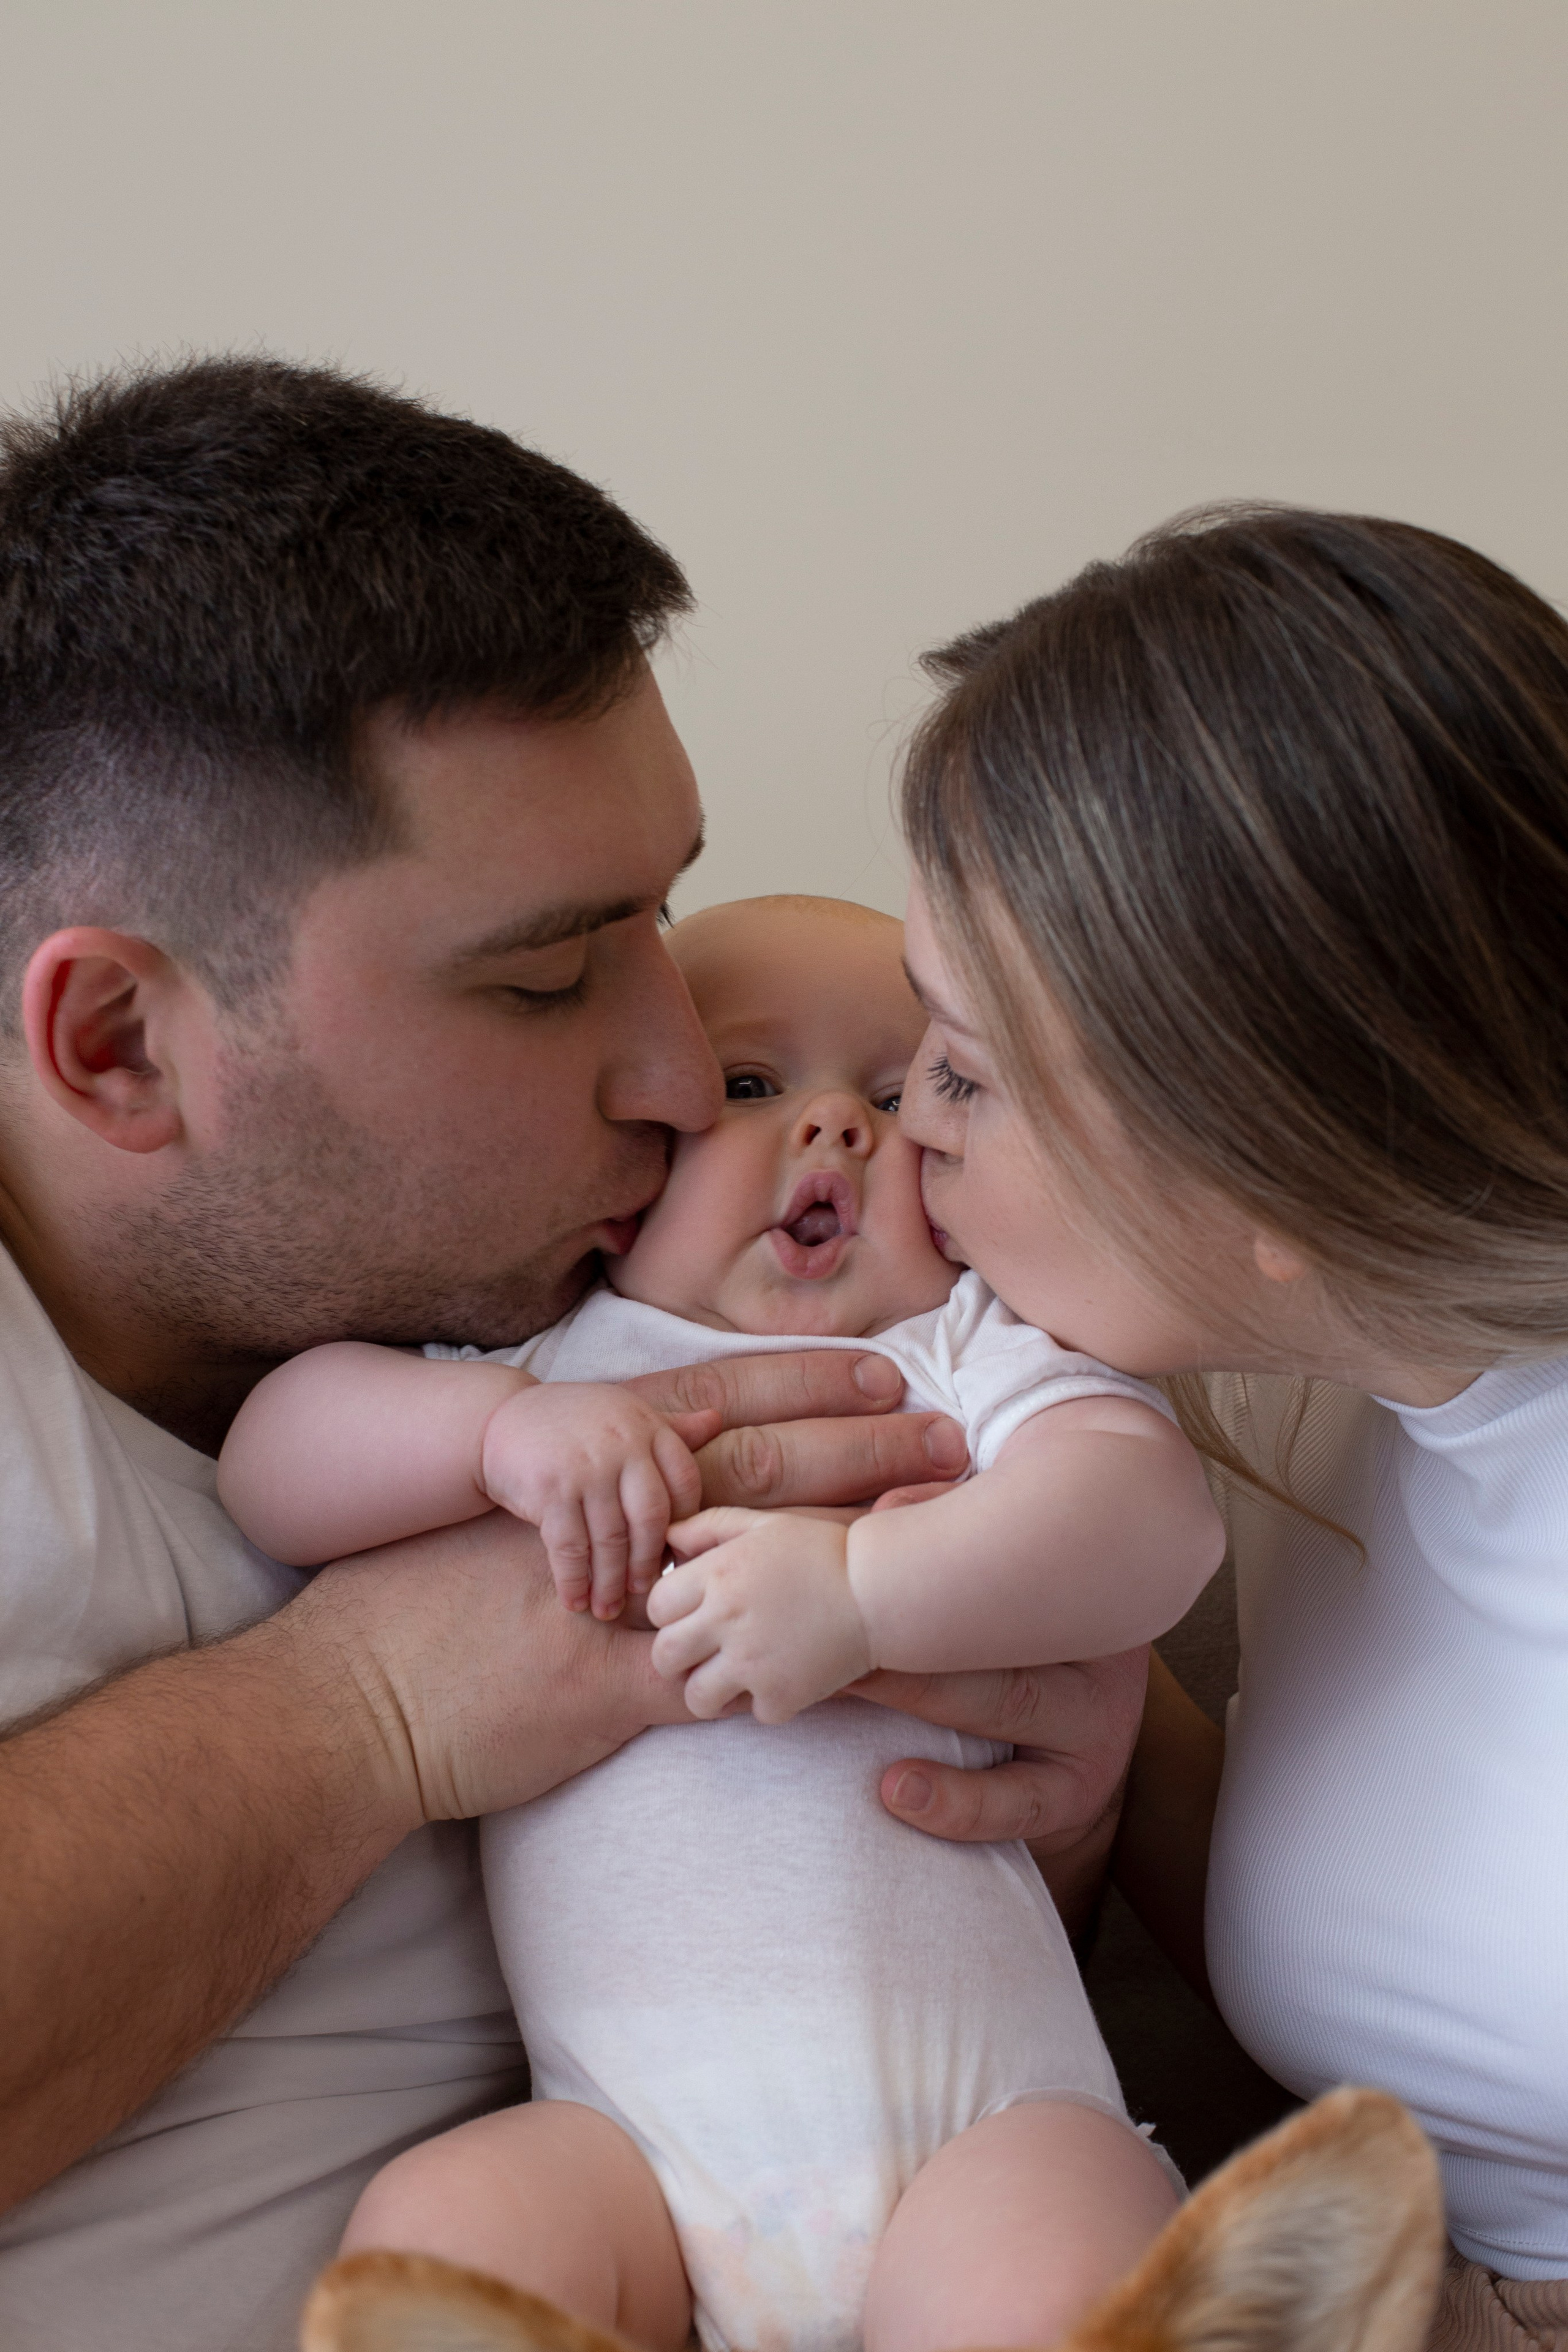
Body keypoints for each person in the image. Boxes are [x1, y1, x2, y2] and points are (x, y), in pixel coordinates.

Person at [0, 359, 1137, 2352]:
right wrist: (366, 1708)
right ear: (118, 1048)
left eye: (667, 922)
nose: (685, 1074)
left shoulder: (584, 1289)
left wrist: (1095, 1755)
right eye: (543, 979)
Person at [219, 894, 1218, 2352]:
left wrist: (862, 1596)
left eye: (901, 1094)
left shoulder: (961, 1354)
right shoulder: (555, 1362)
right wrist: (492, 1432)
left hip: (985, 2125)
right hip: (623, 2148)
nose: (832, 1130)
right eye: (751, 1086)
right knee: (448, 2233)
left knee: (1060, 2271)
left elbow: (1152, 1525)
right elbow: (269, 1471)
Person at [888, 503, 1568, 2352]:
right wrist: (1126, 1754)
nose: (902, 1132)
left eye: (963, 1073)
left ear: (1267, 1161)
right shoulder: (1324, 1372)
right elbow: (1409, 1912)